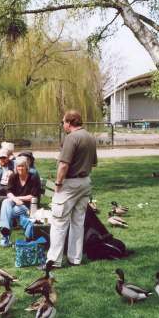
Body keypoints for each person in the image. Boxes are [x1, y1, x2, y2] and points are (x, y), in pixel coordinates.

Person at [46, 110, 97, 267]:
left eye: (63, 122)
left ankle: (54, 261)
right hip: (85, 181)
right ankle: (75, 258)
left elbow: (64, 164)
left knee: (58, 221)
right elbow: (93, 163)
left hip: (69, 184)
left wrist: (58, 183)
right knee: (78, 222)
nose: (63, 125)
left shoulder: (71, 138)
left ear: (69, 123)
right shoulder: (90, 137)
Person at [0, 156, 41, 247]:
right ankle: (6, 232)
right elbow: (8, 191)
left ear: (26, 167)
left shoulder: (33, 178)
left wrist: (18, 199)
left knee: (9, 212)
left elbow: (32, 196)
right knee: (6, 202)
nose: (20, 168)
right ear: (16, 167)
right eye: (18, 166)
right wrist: (15, 199)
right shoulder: (13, 176)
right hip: (15, 202)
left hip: (28, 206)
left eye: (22, 166)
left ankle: (4, 237)